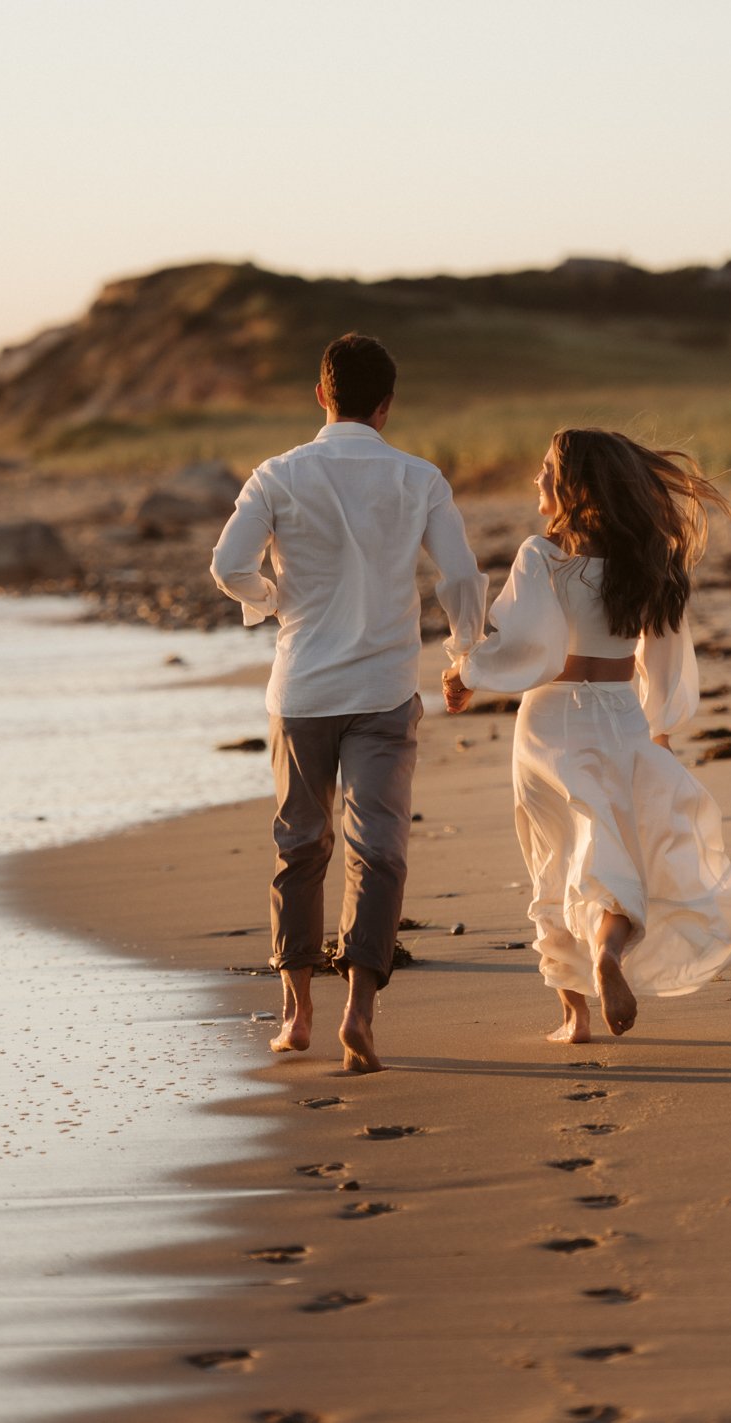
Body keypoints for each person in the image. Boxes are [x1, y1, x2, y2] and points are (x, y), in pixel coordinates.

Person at [442, 427, 731, 1044]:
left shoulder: (543, 556)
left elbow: (528, 647)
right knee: (616, 853)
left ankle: (574, 1016)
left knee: (554, 857)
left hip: (549, 722)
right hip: (622, 715)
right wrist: (661, 727)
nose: (537, 480)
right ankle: (609, 953)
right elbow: (665, 658)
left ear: (573, 485)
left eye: (547, 470)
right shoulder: (647, 561)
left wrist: (467, 671)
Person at [212, 333, 487, 1072]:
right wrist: (464, 654)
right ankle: (359, 1010)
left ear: (320, 395)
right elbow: (459, 576)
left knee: (300, 845)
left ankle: (296, 1010)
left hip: (301, 689)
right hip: (384, 691)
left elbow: (227, 564)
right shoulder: (419, 477)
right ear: (386, 405)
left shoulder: (277, 475)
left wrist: (269, 600)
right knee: (379, 849)